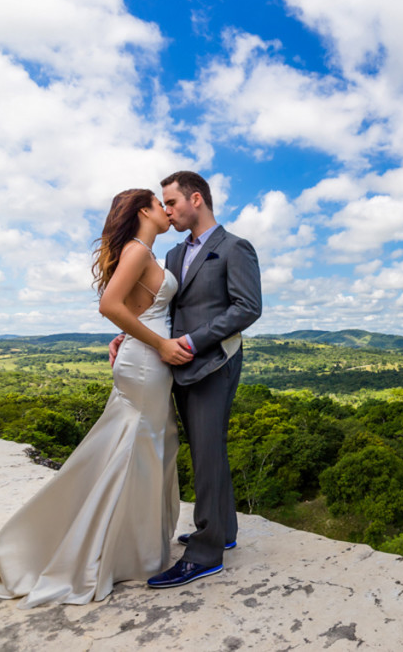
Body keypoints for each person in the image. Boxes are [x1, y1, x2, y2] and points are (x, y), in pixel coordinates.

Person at [0, 188, 187, 608]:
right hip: (146, 362)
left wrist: (130, 335)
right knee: (141, 450)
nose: (167, 211)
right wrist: (160, 345)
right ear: (145, 210)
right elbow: (109, 304)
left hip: (141, 357)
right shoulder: (139, 251)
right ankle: (128, 554)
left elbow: (134, 308)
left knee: (145, 447)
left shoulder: (141, 252)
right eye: (160, 205)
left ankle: (129, 547)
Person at [113, 171, 262, 589]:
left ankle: (205, 552)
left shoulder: (234, 247)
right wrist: (129, 333)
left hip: (215, 361)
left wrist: (193, 341)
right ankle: (225, 530)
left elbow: (248, 308)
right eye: (163, 203)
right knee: (203, 447)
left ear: (196, 199)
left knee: (209, 449)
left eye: (172, 202)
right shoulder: (176, 254)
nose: (167, 210)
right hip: (179, 364)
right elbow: (161, 305)